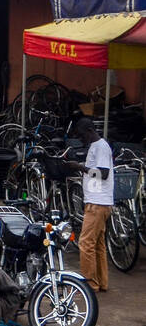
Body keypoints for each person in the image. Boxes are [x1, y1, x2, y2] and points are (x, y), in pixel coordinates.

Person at [73, 118, 113, 292]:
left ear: (89, 131)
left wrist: (80, 167)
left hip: (98, 203)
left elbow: (103, 174)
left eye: (82, 135)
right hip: (98, 201)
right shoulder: (96, 146)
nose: (81, 139)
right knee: (97, 244)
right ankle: (101, 282)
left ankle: (90, 284)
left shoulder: (101, 147)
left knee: (85, 243)